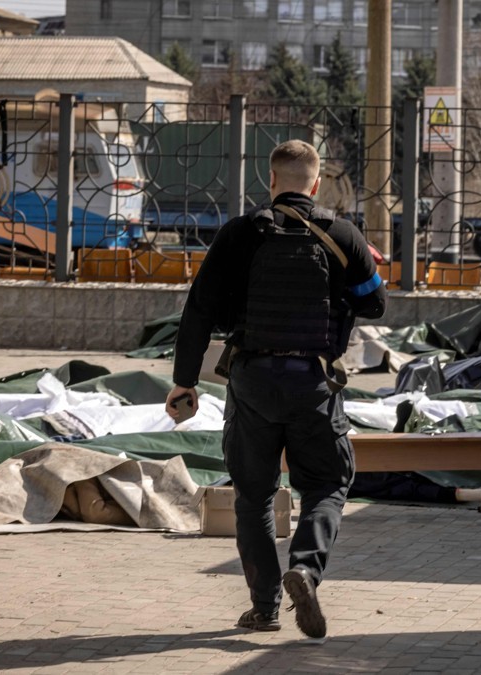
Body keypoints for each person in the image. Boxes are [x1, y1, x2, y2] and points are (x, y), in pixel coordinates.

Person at [165, 140, 387, 639]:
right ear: (315, 184)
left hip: (252, 383)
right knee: (327, 485)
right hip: (314, 383)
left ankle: (264, 608)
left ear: (271, 183)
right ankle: (305, 571)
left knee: (254, 497)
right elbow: (375, 306)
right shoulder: (342, 235)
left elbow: (198, 309)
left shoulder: (239, 234)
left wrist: (184, 382)